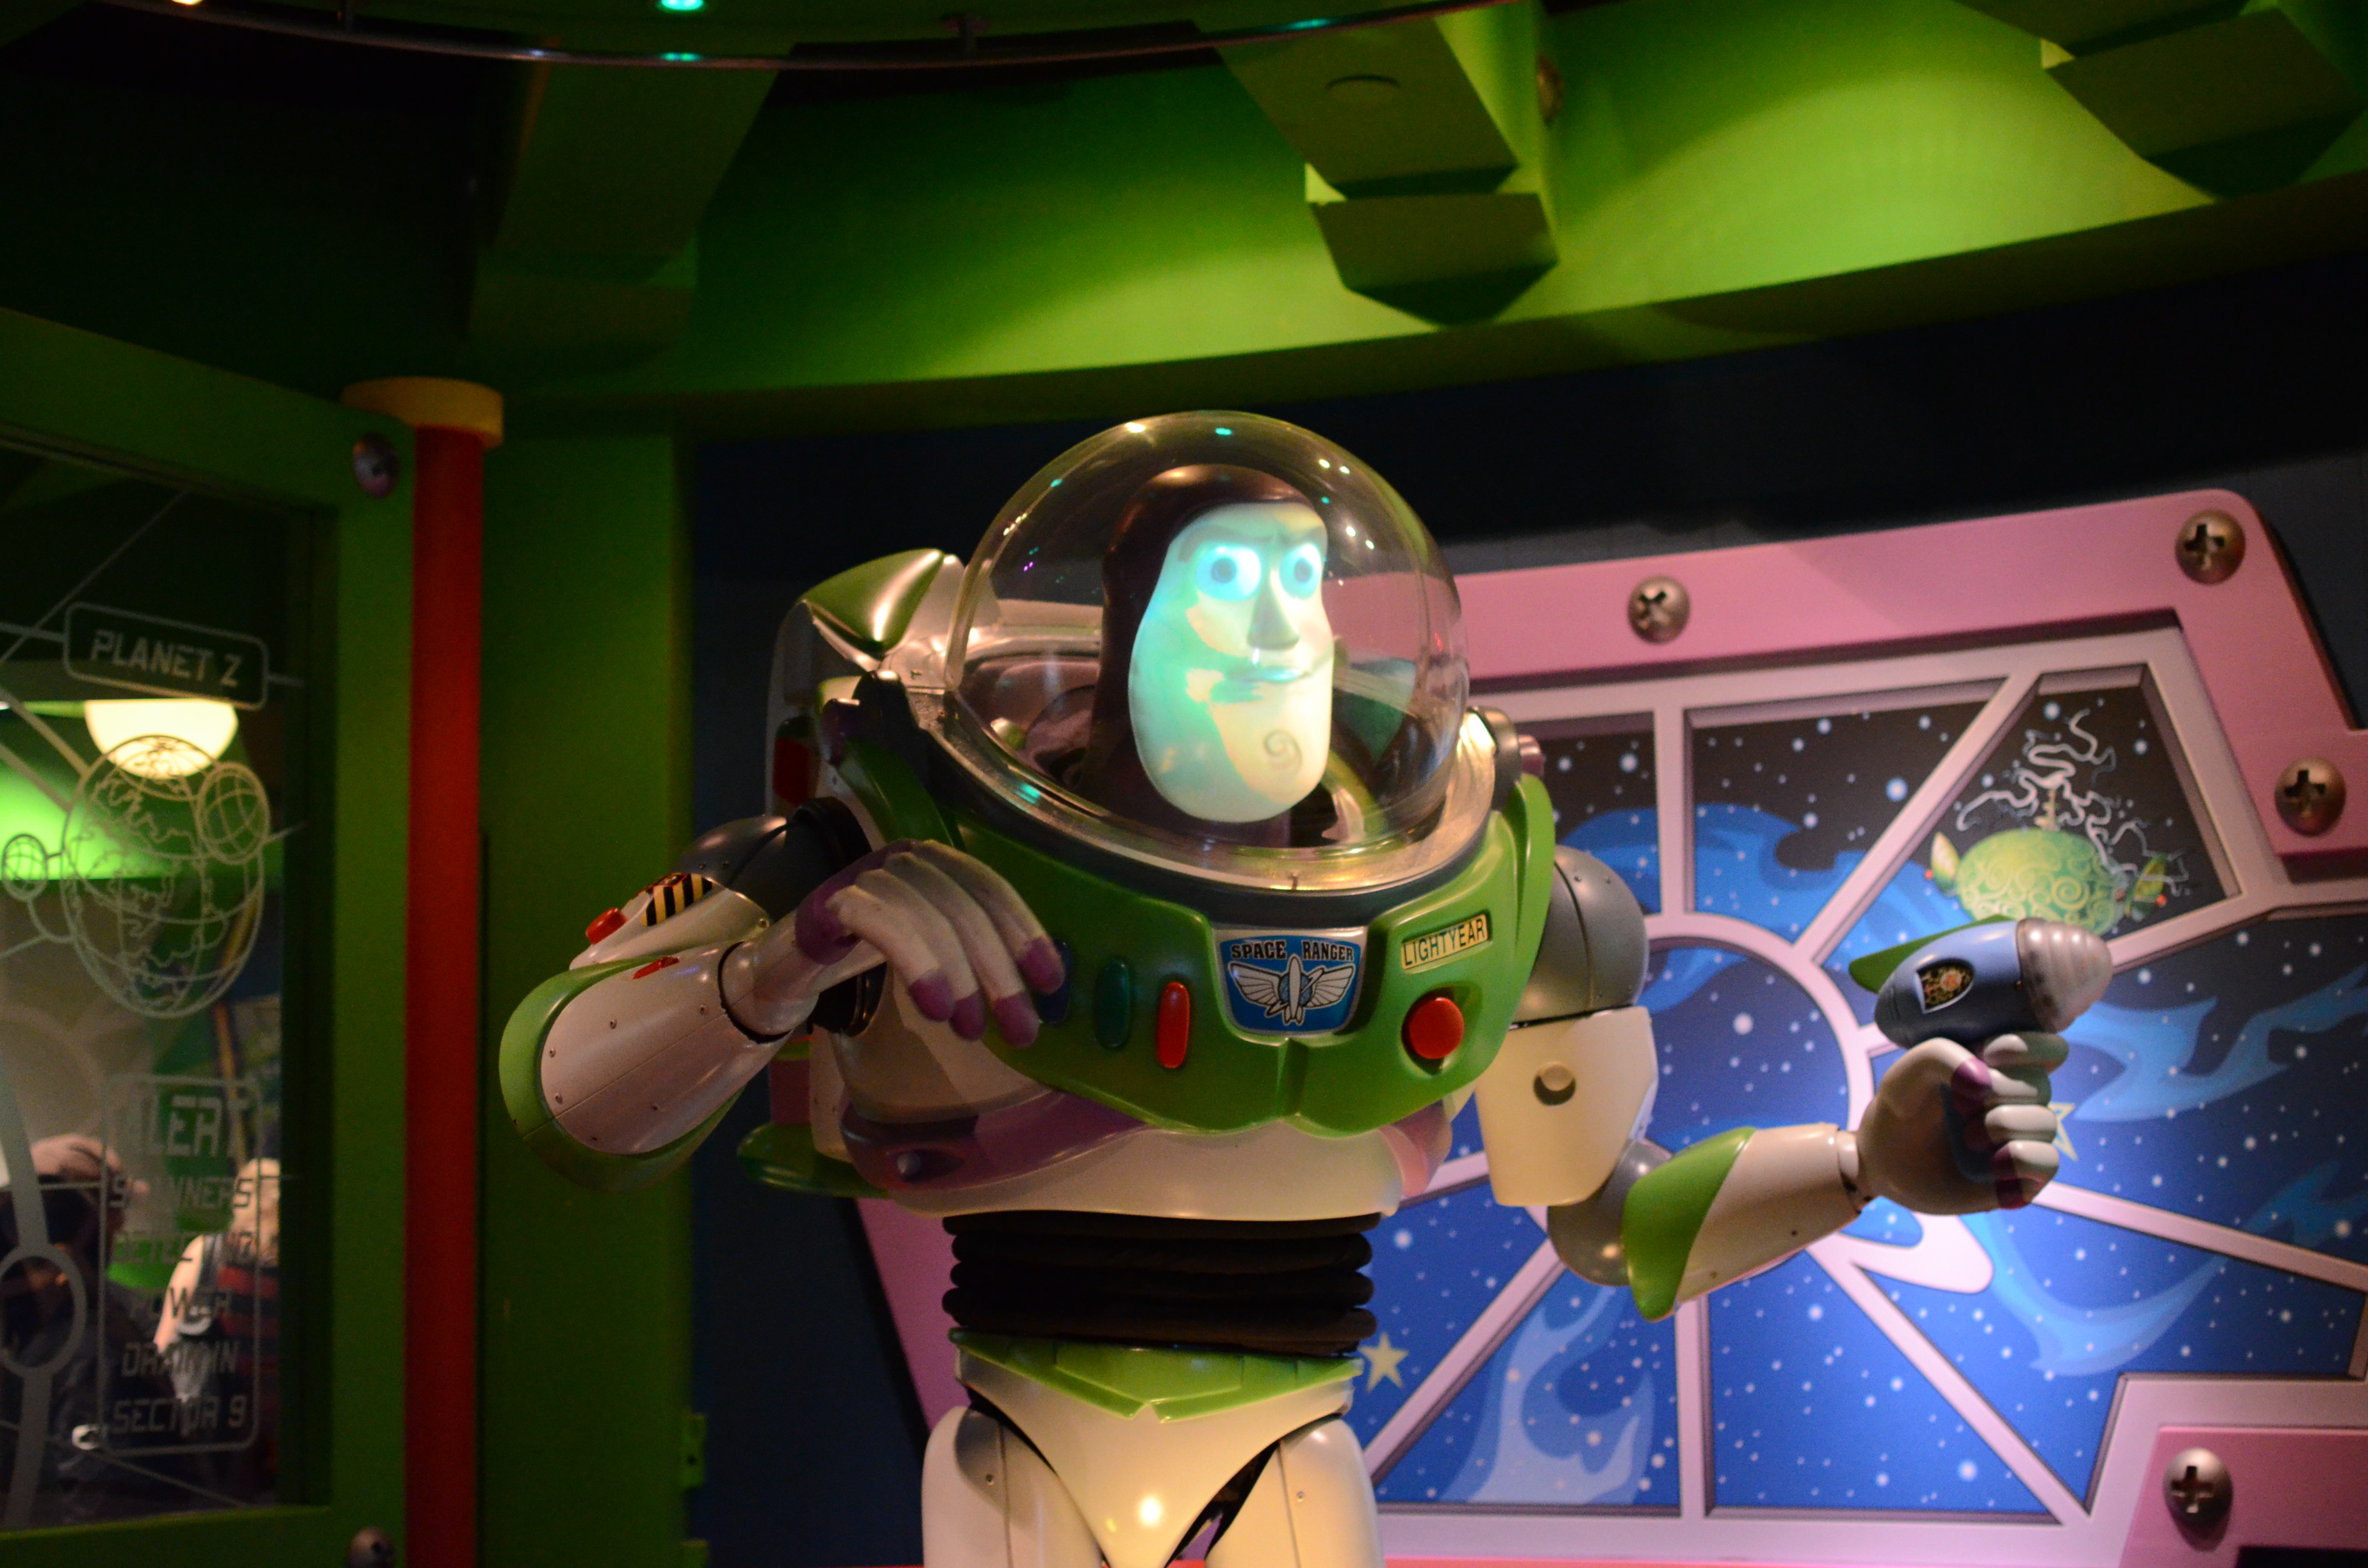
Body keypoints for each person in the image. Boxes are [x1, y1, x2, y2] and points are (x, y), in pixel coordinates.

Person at [501, 412, 2085, 1568]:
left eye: (1302, 585)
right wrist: (786, 961)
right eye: (1225, 586)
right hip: (1011, 1446)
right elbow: (565, 1097)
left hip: (1299, 1455)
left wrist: (1870, 1167)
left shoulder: (1501, 897)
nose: (1281, 631)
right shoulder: (887, 856)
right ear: (1130, 624)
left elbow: (1617, 1230)